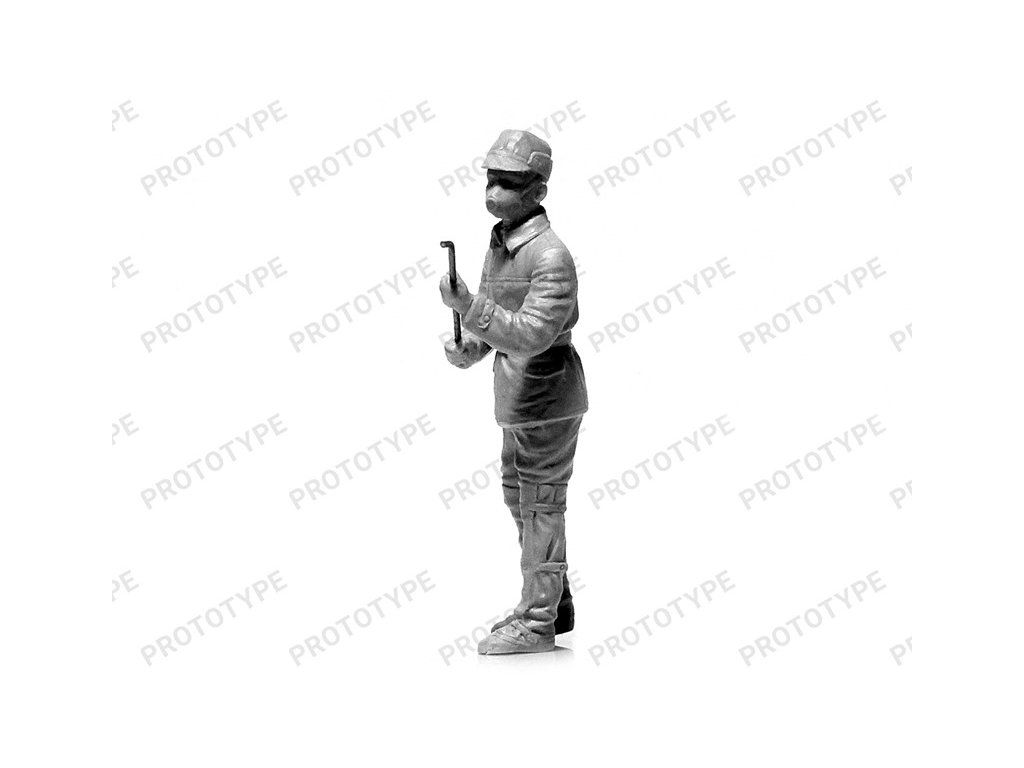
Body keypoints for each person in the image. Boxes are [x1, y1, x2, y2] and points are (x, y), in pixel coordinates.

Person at [439, 129, 589, 654]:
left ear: (538, 191)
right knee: (517, 496)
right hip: (517, 399)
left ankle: (538, 620)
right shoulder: (501, 245)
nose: (493, 193)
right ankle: (553, 599)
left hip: (547, 397)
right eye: (490, 180)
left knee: (541, 502)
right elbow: (498, 323)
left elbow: (532, 334)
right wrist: (470, 348)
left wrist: (468, 308)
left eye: (508, 183)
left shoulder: (549, 256)